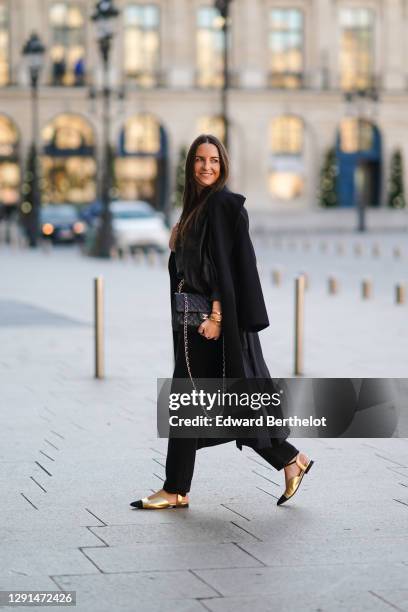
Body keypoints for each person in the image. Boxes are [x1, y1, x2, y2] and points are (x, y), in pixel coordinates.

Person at [130, 134, 314, 510]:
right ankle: (289, 459)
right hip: (191, 326)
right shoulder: (197, 207)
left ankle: (177, 488)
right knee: (219, 402)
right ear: (190, 165)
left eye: (213, 160)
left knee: (201, 401)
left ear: (223, 164)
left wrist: (216, 316)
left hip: (208, 327)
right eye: (199, 160)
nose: (206, 166)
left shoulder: (224, 206)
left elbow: (229, 270)